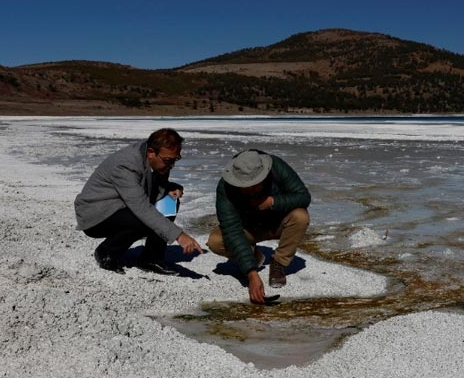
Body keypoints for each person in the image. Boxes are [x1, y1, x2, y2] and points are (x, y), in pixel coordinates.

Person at [74, 128, 203, 275]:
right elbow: (141, 207)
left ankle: (151, 258)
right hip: (96, 213)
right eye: (168, 160)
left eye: (175, 159)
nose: (172, 165)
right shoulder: (125, 165)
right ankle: (106, 252)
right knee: (142, 219)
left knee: (170, 201)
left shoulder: (157, 157)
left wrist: (169, 188)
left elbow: (150, 188)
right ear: (151, 153)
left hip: (122, 205)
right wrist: (179, 235)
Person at [208, 149, 311, 303]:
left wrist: (273, 202)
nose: (249, 190)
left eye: (253, 185)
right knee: (216, 241)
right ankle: (253, 256)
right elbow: (231, 229)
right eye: (244, 186)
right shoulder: (225, 187)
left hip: (278, 223)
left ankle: (279, 262)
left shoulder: (277, 167)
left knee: (301, 216)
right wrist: (252, 274)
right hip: (249, 228)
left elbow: (303, 196)